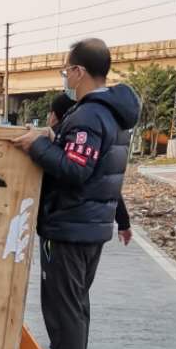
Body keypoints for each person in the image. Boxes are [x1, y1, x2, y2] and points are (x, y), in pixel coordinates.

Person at [12, 39, 140, 349]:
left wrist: (37, 146)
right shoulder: (111, 114)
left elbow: (75, 170)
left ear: (80, 71)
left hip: (70, 225)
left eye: (67, 70)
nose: (66, 77)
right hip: (89, 225)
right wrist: (54, 139)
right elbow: (91, 163)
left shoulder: (88, 115)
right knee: (75, 303)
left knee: (63, 306)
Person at [47, 92, 132, 245]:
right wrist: (123, 222)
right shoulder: (99, 136)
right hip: (95, 230)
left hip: (64, 229)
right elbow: (109, 185)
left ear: (53, 116)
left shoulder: (60, 141)